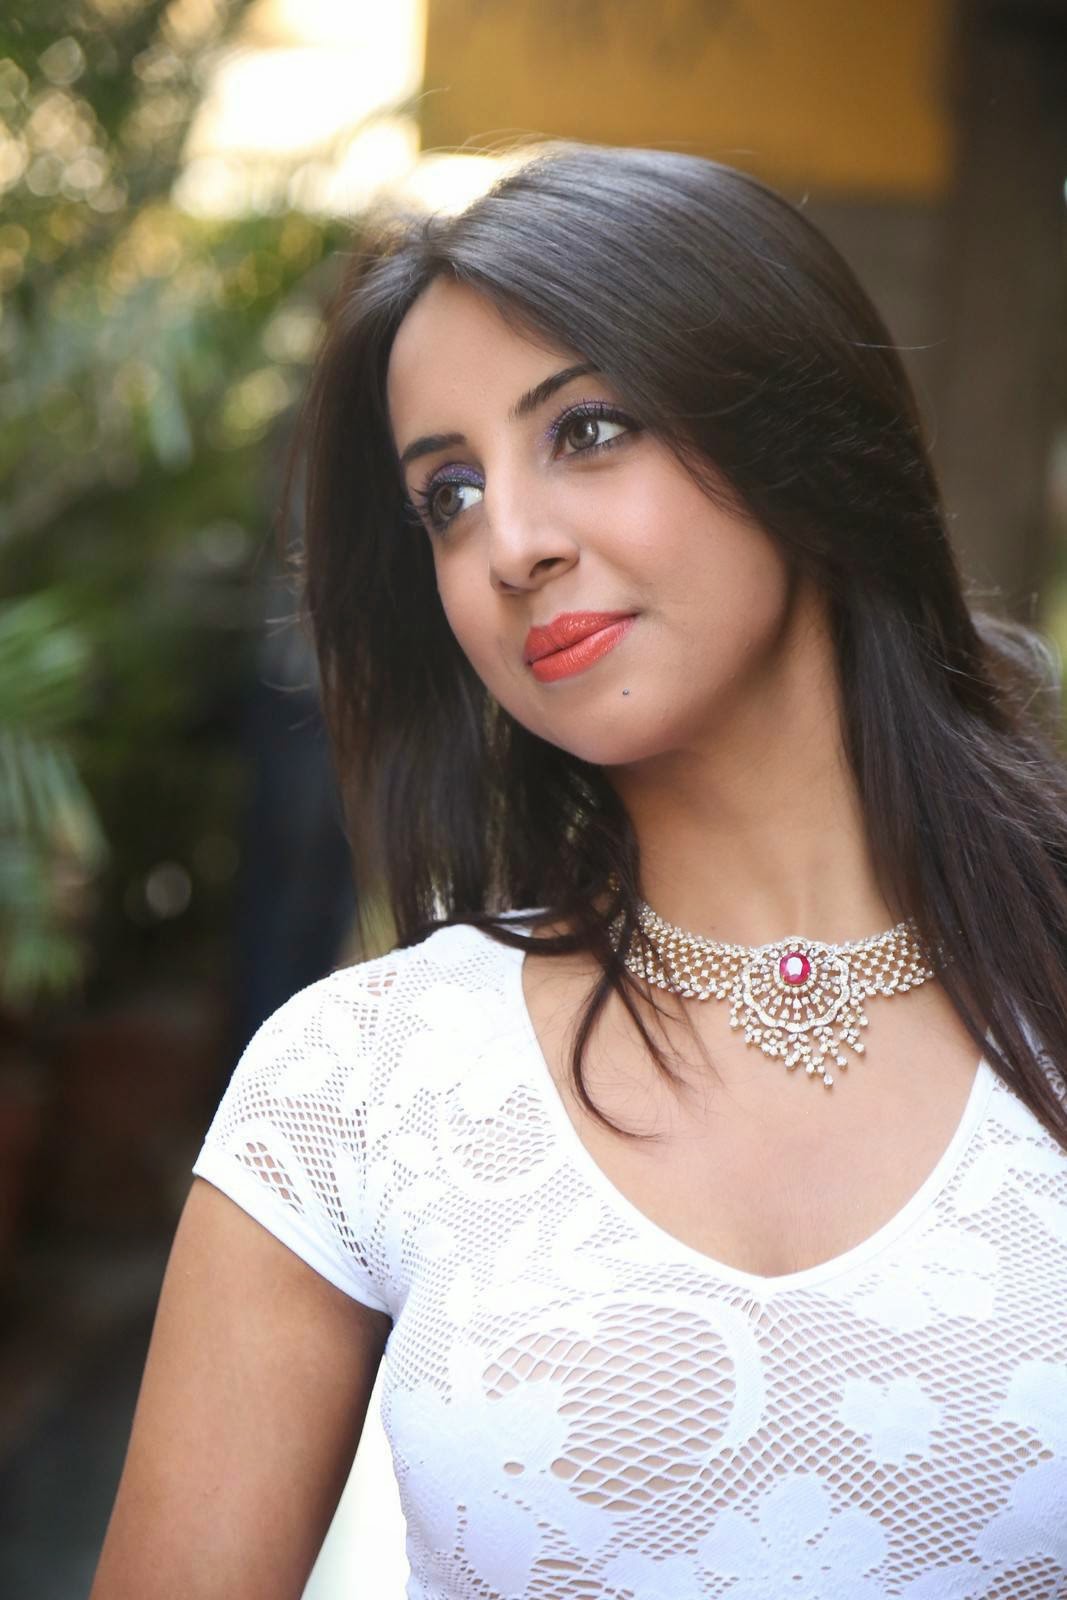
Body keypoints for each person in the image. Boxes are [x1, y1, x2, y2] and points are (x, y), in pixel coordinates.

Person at [91, 144, 1067, 1599]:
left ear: (793, 426)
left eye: (588, 429)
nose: (513, 545)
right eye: (448, 494)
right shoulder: (356, 1085)